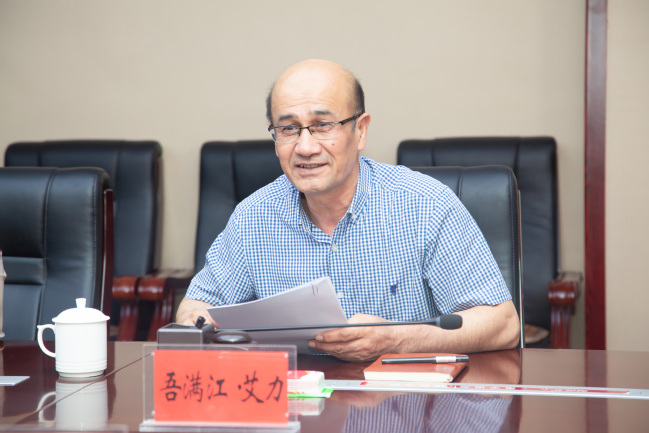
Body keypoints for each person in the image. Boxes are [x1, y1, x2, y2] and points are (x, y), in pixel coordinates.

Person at [177, 59, 520, 361]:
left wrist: (398, 339)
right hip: (296, 401)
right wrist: (200, 326)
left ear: (360, 130)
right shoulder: (253, 217)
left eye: (323, 125)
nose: (305, 147)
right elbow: (196, 308)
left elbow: (503, 325)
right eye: (288, 129)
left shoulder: (425, 205)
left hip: (408, 401)